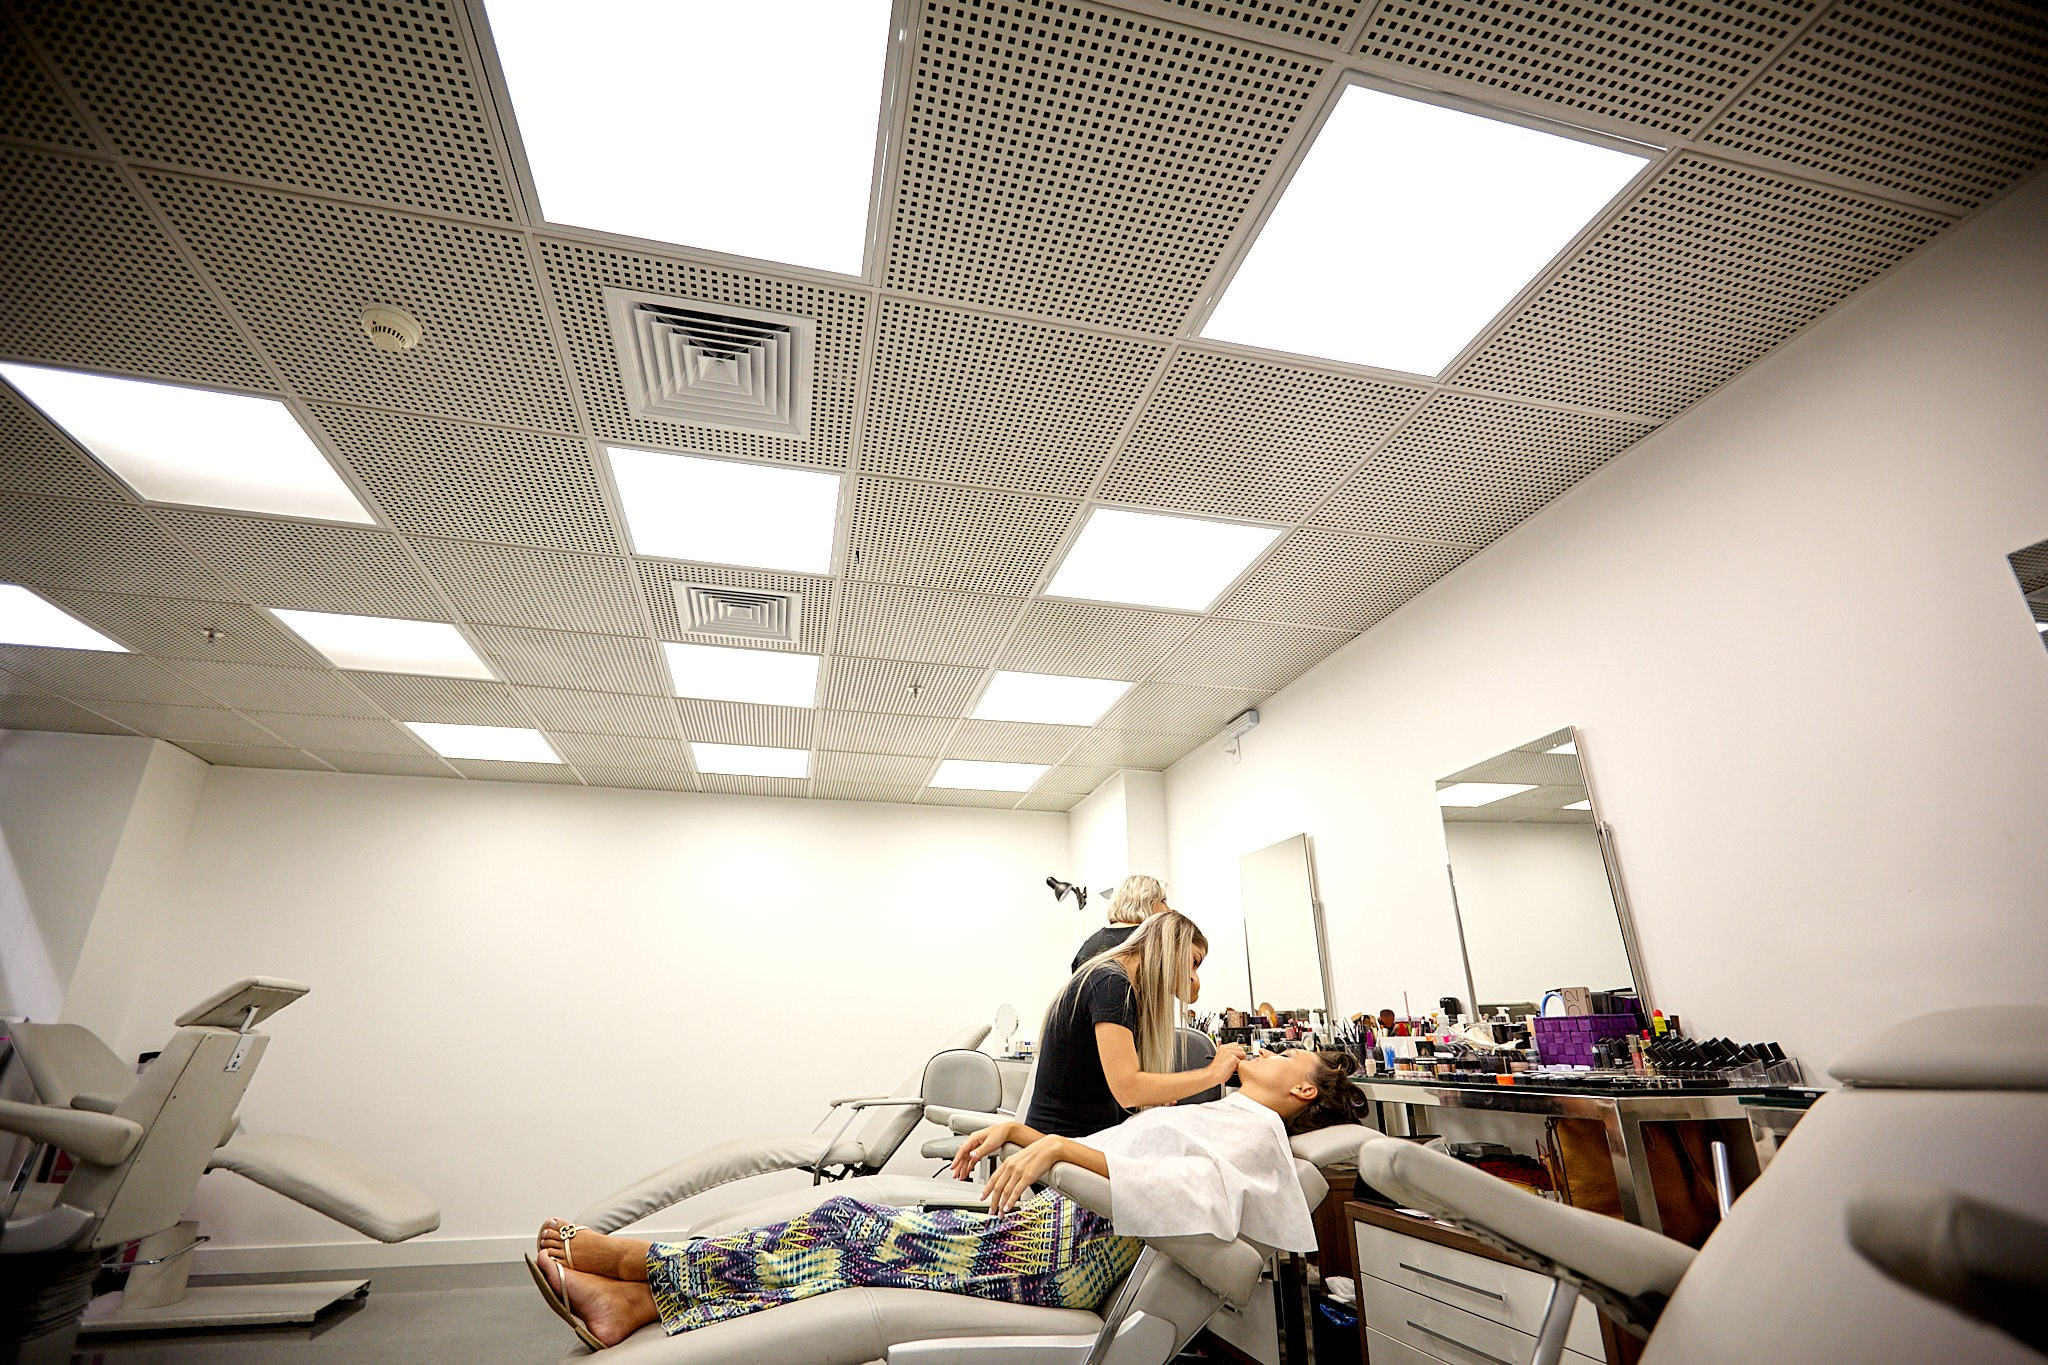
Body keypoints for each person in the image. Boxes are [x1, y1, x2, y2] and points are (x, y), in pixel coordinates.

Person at [528, 1049, 1365, 1348]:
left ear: (1301, 1086)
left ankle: (639, 1264)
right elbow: (1128, 1158)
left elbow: (1186, 1191)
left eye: (1293, 1053)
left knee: (845, 1226)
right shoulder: (1228, 1111)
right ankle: (638, 1302)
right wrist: (1021, 1134)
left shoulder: (1255, 1132)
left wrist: (1050, 1147)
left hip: (1067, 1258)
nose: (1270, 1046)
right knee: (845, 1233)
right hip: (1051, 1230)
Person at [1027, 909, 1244, 1138]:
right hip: (1063, 1146)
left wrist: (1155, 1093)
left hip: (1086, 1138)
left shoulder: (1119, 985)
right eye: (1193, 962)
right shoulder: (1111, 985)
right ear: (1168, 945)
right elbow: (1128, 1089)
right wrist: (1213, 1073)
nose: (1193, 976)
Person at [1069, 873, 1169, 971]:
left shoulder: (1090, 944)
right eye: (1163, 901)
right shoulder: (1150, 940)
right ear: (1145, 902)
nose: (1169, 909)